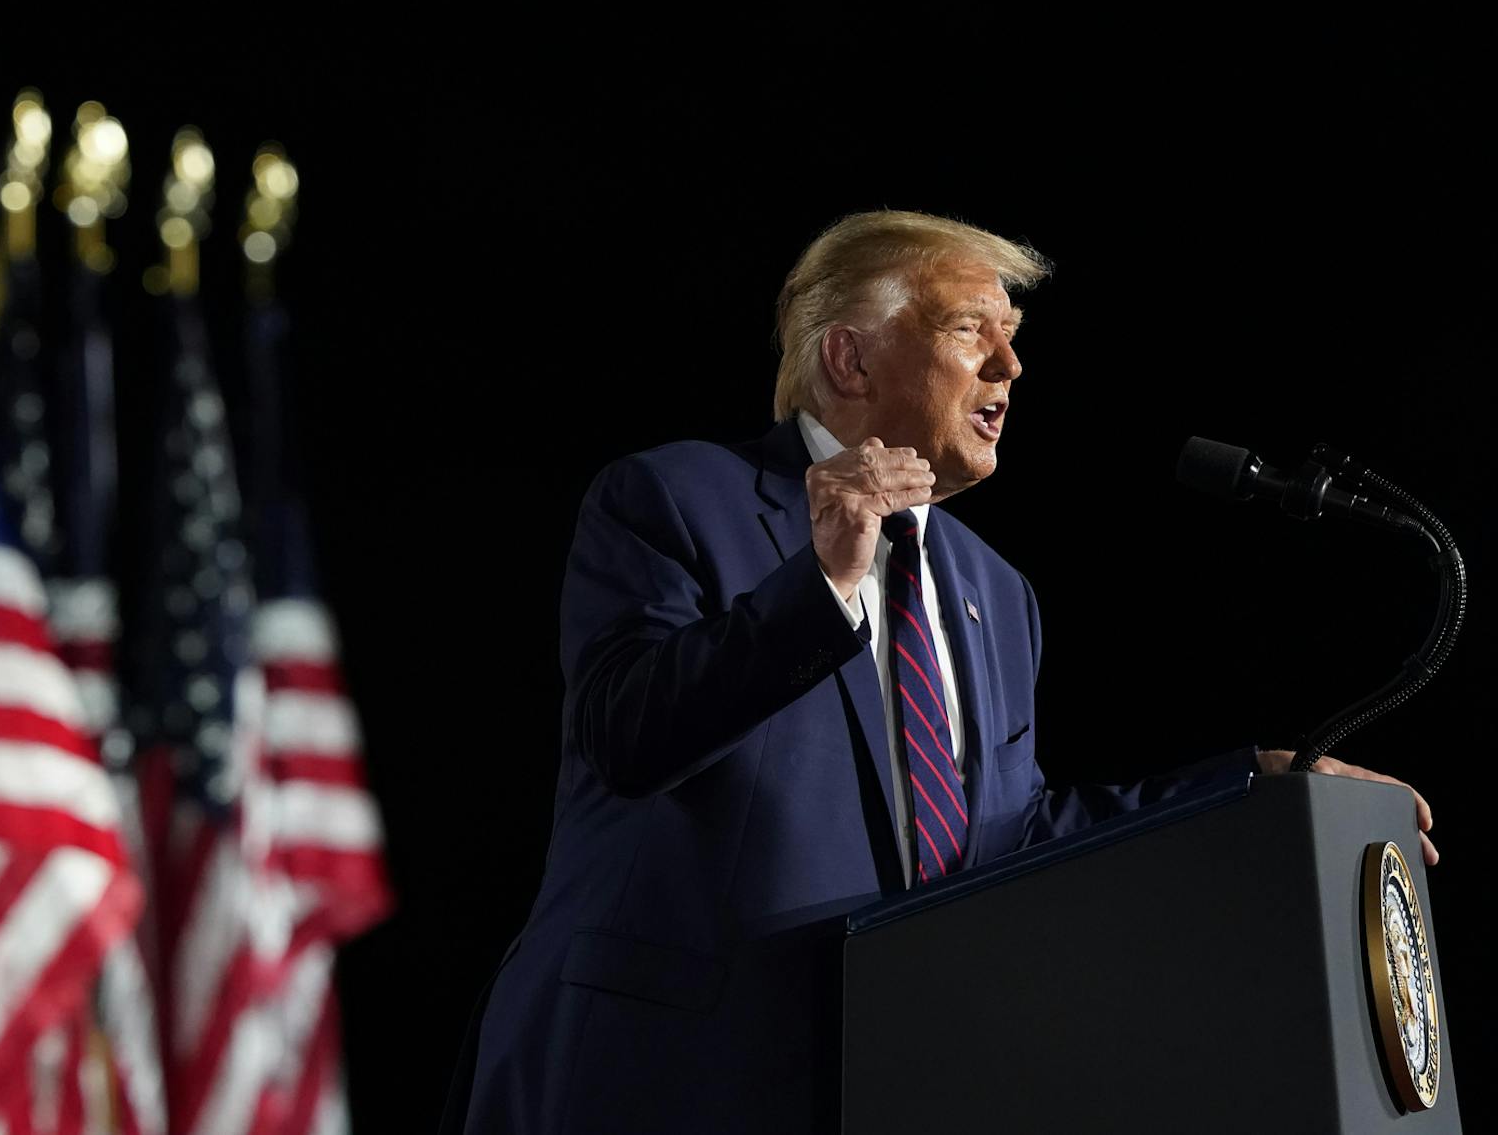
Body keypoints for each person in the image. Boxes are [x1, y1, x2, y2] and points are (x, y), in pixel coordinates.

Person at [446, 211, 1436, 1134]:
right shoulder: (671, 498)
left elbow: (1009, 834)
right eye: (974, 330)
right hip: (661, 1082)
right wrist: (823, 584)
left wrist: (1253, 789)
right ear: (852, 354)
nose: (1012, 362)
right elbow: (627, 734)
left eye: (1012, 337)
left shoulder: (996, 592)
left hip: (896, 1084)